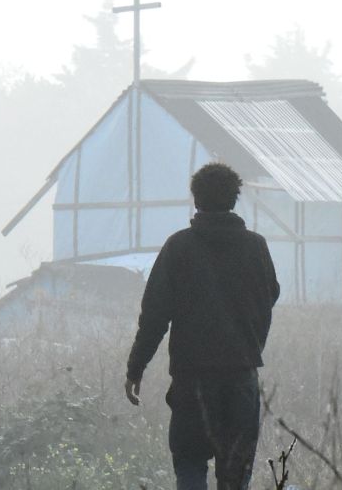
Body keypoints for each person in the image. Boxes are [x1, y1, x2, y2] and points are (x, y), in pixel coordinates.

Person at [125, 162, 280, 490]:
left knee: (191, 463)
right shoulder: (256, 248)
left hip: (192, 378)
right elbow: (270, 297)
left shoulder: (178, 247)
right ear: (235, 199)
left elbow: (154, 316)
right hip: (241, 377)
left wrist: (136, 368)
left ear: (196, 199)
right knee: (235, 474)